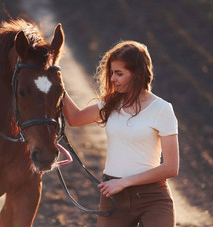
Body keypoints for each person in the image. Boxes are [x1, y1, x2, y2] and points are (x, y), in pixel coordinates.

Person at [62, 40, 179, 227]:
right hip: (113, 196)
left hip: (153, 198)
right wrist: (56, 81)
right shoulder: (111, 105)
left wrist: (125, 182)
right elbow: (75, 118)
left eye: (119, 73)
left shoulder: (162, 109)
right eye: (111, 73)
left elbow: (171, 167)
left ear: (138, 73)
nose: (112, 79)